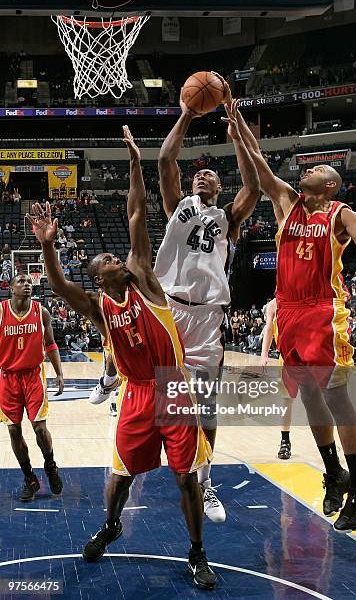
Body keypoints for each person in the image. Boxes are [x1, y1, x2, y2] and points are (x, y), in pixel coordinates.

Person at [28, 126, 216, 590]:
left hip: (172, 386)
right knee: (120, 474)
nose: (117, 258)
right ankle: (111, 524)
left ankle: (197, 553)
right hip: (135, 393)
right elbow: (58, 287)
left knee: (186, 477)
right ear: (99, 276)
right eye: (108, 259)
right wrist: (49, 246)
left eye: (116, 255)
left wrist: (134, 162)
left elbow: (136, 213)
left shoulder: (146, 281)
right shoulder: (98, 306)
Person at [93, 95, 260, 523]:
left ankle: (204, 481)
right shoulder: (178, 207)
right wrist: (186, 112)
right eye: (198, 174)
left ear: (218, 188)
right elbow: (167, 158)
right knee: (128, 337)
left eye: (209, 174)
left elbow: (254, 188)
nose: (202, 176)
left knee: (203, 405)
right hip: (168, 308)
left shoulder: (228, 218)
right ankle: (110, 373)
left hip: (206, 318)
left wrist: (238, 132)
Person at [237, 105, 356, 532]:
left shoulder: (341, 214)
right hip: (288, 311)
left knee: (337, 398)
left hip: (323, 310)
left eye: (318, 167)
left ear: (330, 184)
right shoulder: (287, 202)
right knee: (307, 397)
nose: (308, 169)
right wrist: (237, 130)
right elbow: (261, 169)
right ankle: (334, 472)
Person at [0, 274, 64, 501]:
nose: (27, 284)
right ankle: (30, 478)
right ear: (11, 288)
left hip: (33, 376)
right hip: (8, 378)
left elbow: (51, 344)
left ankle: (50, 465)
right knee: (13, 431)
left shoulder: (41, 312)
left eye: (29, 282)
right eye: (21, 282)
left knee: (39, 428)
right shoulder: (1, 312)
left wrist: (59, 373)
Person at [260, 298, 293, 459]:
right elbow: (269, 329)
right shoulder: (274, 304)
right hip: (286, 357)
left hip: (307, 353)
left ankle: (328, 443)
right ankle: (285, 441)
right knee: (286, 400)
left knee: (317, 400)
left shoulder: (302, 295)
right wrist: (264, 353)